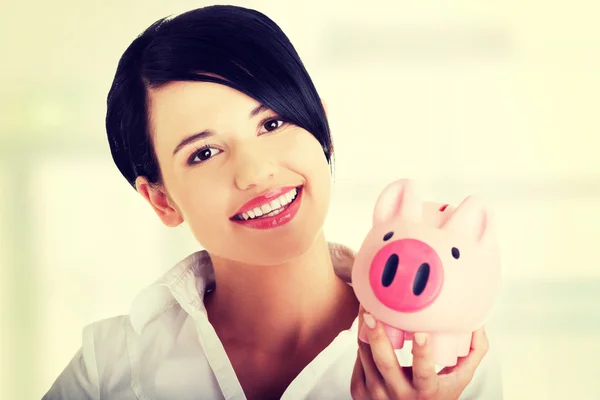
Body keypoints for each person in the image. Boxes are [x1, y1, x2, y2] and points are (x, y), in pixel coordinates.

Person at [43, 5, 503, 400]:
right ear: (162, 201)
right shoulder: (109, 368)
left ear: (321, 126)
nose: (256, 171)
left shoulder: (444, 368)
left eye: (272, 124)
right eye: (204, 153)